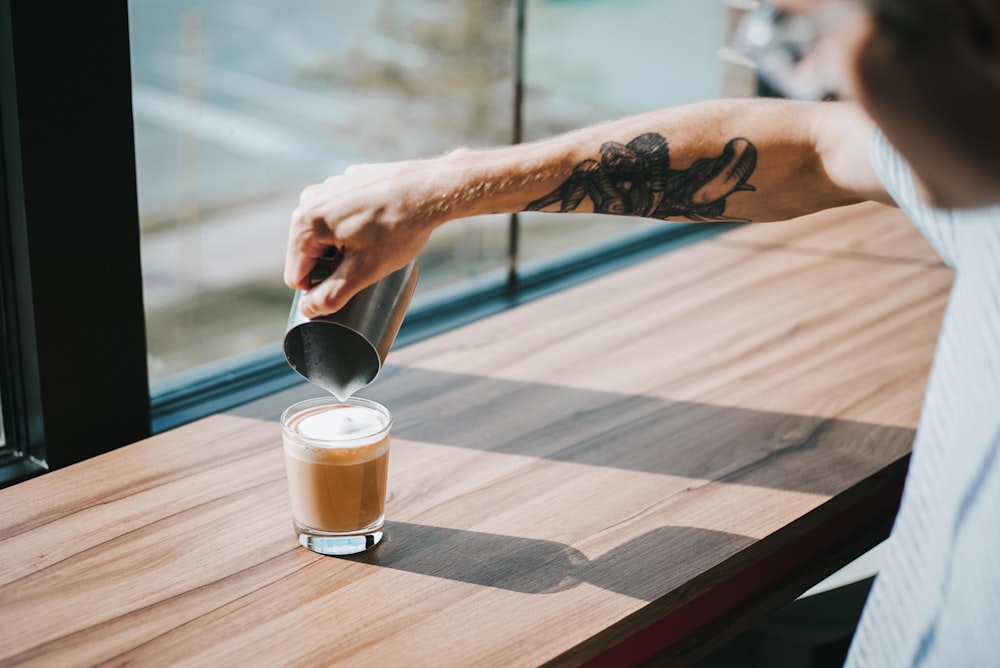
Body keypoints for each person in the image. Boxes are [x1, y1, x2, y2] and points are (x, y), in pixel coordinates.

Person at [284, 0, 1000, 664]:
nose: (820, 86)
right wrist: (448, 187)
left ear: (975, 35)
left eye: (803, 38)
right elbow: (810, 149)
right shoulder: (980, 181)